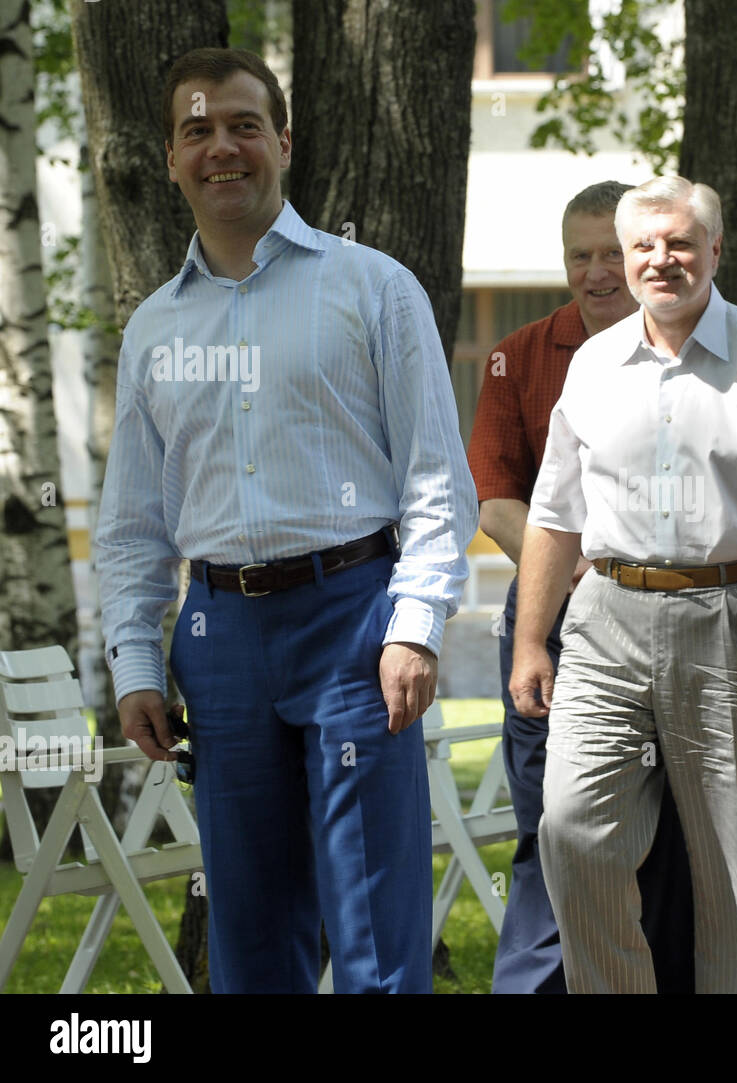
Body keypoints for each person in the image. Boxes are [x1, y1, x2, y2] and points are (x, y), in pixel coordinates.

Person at [93, 48, 476, 994]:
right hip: (218, 639)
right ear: (173, 157)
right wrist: (137, 661)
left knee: (375, 925)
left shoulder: (372, 288)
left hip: (355, 622)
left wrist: (415, 626)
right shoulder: (153, 330)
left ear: (283, 143)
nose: (221, 147)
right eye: (197, 130)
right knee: (250, 932)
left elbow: (436, 476)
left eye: (242, 125)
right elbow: (134, 522)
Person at [508, 176, 737, 994]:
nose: (659, 260)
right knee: (572, 834)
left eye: (680, 243)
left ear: (716, 249)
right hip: (605, 618)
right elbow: (555, 512)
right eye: (643, 245)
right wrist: (532, 638)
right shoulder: (595, 365)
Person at [466, 180, 695, 994]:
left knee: (670, 839)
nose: (598, 273)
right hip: (551, 624)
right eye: (580, 256)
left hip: (679, 622)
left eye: (612, 254)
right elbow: (495, 501)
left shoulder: (691, 349)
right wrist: (584, 565)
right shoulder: (518, 355)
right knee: (555, 829)